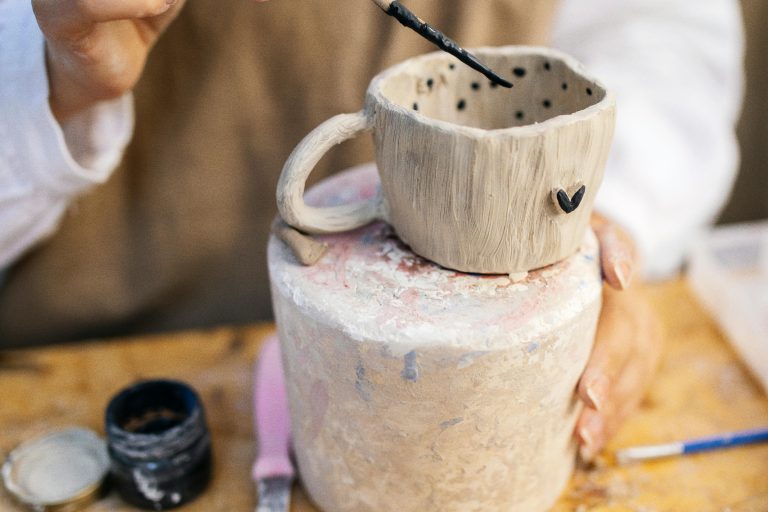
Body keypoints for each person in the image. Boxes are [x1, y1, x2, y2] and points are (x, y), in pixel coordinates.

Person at [0, 0, 744, 462]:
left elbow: (661, 33)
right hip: (80, 361)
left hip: (519, 365)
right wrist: (56, 77)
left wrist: (613, 214)